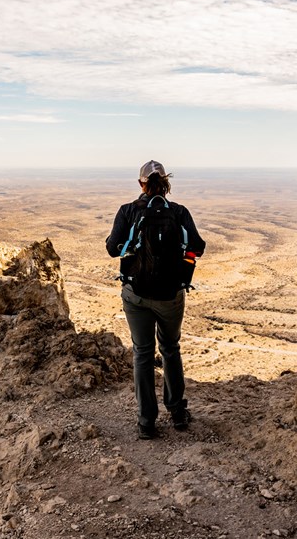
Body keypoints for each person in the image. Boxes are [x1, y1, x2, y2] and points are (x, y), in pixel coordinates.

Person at [106, 160, 206, 440]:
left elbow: (113, 249)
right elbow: (197, 246)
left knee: (142, 354)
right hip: (170, 296)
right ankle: (177, 413)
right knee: (171, 348)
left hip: (136, 295)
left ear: (141, 184)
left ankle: (146, 422)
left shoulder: (128, 211)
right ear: (165, 183)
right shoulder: (179, 212)